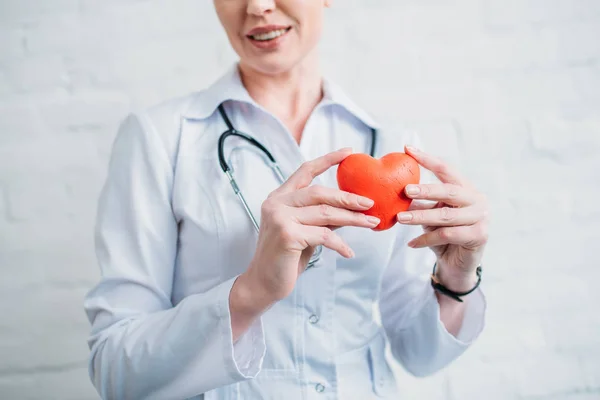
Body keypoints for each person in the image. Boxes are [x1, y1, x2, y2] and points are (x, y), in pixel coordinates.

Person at [83, 1, 489, 399]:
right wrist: (252, 291)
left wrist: (457, 278)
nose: (258, 7)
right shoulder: (159, 139)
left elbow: (421, 356)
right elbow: (116, 371)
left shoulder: (390, 145)